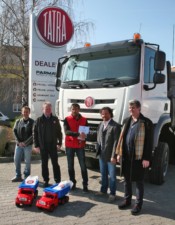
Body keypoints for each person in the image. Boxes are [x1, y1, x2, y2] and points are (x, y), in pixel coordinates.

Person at [116, 99, 153, 215]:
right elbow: (121, 138)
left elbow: (149, 142)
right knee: (127, 180)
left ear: (139, 109)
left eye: (133, 108)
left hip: (139, 157)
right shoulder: (126, 121)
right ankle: (127, 200)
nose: (130, 110)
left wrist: (147, 158)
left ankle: (138, 204)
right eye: (129, 108)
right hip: (126, 156)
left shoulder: (146, 122)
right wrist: (118, 153)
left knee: (139, 182)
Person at [33, 102, 62, 187]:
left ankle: (57, 180)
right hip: (43, 146)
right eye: (46, 108)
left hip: (53, 146)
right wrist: (36, 145)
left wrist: (59, 143)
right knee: (44, 164)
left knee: (55, 163)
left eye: (49, 108)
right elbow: (34, 133)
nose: (48, 110)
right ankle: (46, 180)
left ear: (51, 109)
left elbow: (59, 133)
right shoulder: (39, 120)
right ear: (43, 109)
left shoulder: (55, 119)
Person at [96, 107, 121, 202]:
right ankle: (103, 191)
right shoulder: (100, 124)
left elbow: (116, 142)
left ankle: (112, 194)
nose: (104, 115)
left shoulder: (115, 126)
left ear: (110, 114)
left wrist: (114, 156)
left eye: (106, 113)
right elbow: (98, 138)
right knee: (103, 174)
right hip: (101, 154)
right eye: (102, 114)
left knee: (113, 177)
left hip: (111, 156)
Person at [64, 103, 88, 192]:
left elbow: (86, 132)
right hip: (70, 145)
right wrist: (77, 134)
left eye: (76, 109)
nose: (74, 111)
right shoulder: (67, 119)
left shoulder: (84, 119)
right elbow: (67, 132)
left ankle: (85, 184)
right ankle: (72, 183)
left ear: (79, 110)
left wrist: (85, 135)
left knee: (83, 166)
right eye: (73, 109)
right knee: (70, 166)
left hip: (80, 145)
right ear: (71, 110)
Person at [12, 106, 34, 182]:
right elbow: (14, 132)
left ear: (29, 113)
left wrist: (25, 143)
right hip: (19, 145)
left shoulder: (32, 122)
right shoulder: (18, 121)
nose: (25, 113)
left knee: (27, 161)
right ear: (22, 112)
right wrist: (18, 142)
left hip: (28, 145)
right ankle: (18, 175)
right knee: (16, 159)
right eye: (24, 112)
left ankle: (27, 176)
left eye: (27, 112)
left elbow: (33, 134)